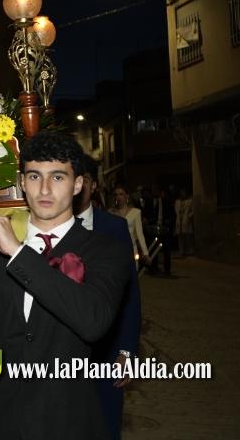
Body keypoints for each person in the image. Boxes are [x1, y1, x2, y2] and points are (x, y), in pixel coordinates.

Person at [0, 132, 131, 440]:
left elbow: (93, 322)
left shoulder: (106, 251)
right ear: (22, 182)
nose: (45, 189)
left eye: (58, 177)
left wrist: (18, 252)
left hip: (67, 422)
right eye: (35, 176)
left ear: (78, 184)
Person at [75, 157, 142, 440]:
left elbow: (130, 297)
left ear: (91, 184)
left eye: (84, 182)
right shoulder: (44, 227)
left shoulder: (114, 228)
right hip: (60, 356)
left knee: (105, 425)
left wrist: (127, 352)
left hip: (107, 350)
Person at [110, 183, 149, 261]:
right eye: (116, 194)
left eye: (121, 194)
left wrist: (145, 253)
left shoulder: (136, 212)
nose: (118, 197)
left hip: (131, 251)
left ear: (127, 196)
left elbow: (139, 234)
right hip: (115, 252)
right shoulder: (110, 213)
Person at [145, 184, 176, 276]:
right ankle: (154, 268)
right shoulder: (149, 201)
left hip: (164, 229)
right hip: (153, 229)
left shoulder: (166, 201)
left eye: (157, 191)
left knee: (166, 250)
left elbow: (173, 214)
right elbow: (146, 213)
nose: (155, 193)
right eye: (153, 191)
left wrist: (168, 222)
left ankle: (167, 270)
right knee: (154, 248)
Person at [175, 187, 194, 256]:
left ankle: (189, 250)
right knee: (180, 237)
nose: (182, 193)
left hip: (186, 220)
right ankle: (181, 251)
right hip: (179, 220)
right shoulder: (177, 201)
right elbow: (175, 210)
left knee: (188, 236)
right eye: (181, 192)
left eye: (184, 192)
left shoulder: (190, 201)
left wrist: (188, 217)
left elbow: (192, 211)